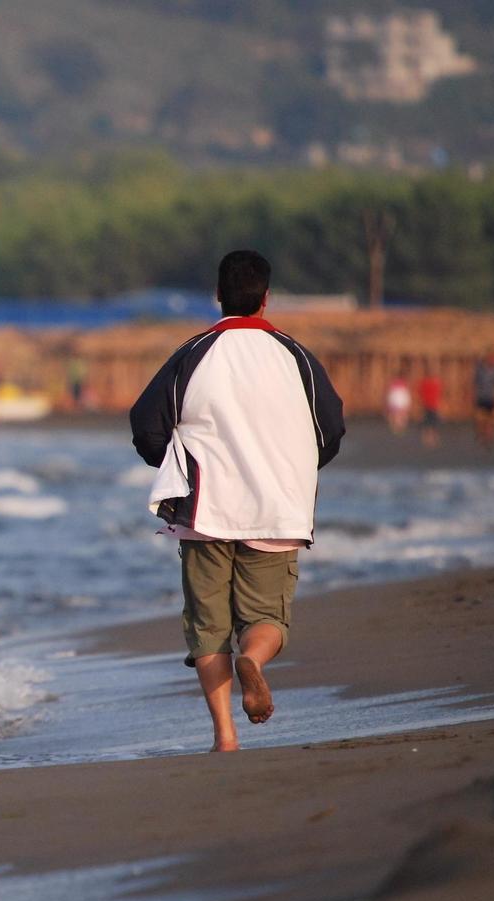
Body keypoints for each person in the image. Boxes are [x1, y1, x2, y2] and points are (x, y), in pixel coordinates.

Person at [130, 250, 345, 752]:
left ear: (218, 295)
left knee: (207, 628)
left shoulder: (194, 352)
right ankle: (255, 658)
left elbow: (146, 424)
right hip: (276, 510)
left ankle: (225, 736)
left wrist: (175, 464)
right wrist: (291, 470)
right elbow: (330, 429)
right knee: (268, 618)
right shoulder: (295, 356)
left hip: (205, 511)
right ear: (266, 299)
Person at [473, 351, 494, 450]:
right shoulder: (481, 370)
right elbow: (474, 383)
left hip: (492, 398)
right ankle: (482, 436)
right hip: (481, 397)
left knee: (492, 421)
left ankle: (489, 436)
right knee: (480, 420)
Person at [417, 366, 443, 449]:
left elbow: (420, 393)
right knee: (432, 423)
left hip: (428, 405)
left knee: (428, 423)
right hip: (431, 406)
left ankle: (429, 436)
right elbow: (439, 394)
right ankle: (430, 435)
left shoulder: (425, 383)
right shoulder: (435, 383)